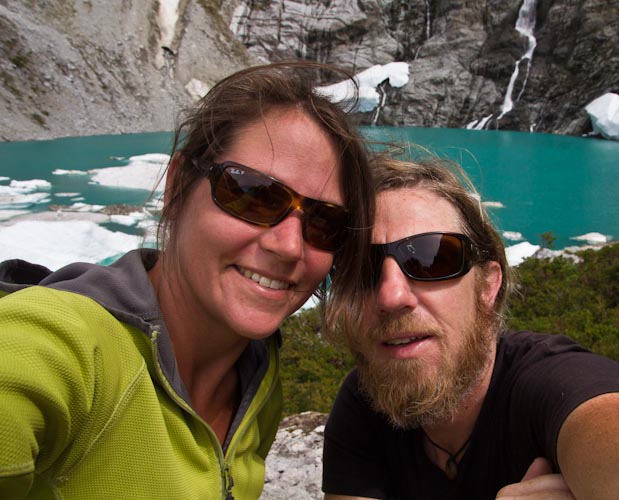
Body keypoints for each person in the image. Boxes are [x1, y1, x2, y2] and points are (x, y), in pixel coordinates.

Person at [0, 61, 373, 500]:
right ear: (177, 187)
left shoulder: (258, 371)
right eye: (252, 194)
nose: (290, 246)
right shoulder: (59, 344)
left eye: (325, 223)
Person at [321, 153, 619, 500]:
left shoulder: (555, 383)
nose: (391, 295)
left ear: (488, 285)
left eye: (432, 258)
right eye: (360, 269)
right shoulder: (367, 399)